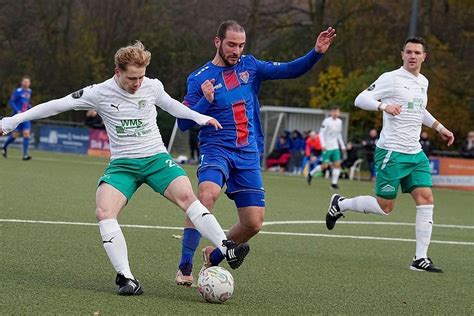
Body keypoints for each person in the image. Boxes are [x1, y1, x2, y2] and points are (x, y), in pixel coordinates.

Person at [0, 41, 250, 295]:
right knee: (103, 211)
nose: (137, 83)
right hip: (122, 165)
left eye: (141, 77)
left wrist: (200, 117)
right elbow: (55, 105)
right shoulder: (98, 92)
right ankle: (127, 278)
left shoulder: (152, 86)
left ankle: (226, 246)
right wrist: (13, 120)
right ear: (117, 72)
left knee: (188, 198)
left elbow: (172, 105)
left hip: (156, 159)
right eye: (132, 78)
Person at [175, 20, 336, 286]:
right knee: (206, 195)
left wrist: (316, 52)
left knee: (253, 224)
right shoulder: (199, 77)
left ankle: (213, 256)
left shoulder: (251, 66)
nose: (236, 50)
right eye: (231, 45)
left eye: (240, 45)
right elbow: (182, 123)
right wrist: (205, 101)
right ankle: (184, 266)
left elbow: (290, 70)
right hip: (216, 150)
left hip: (248, 153)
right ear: (217, 42)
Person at [325, 37, 455, 273]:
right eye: (409, 52)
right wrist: (383, 106)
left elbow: (419, 109)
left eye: (417, 52)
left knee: (426, 199)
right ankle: (340, 204)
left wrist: (439, 127)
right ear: (402, 54)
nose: (413, 56)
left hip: (415, 152)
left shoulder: (423, 81)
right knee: (386, 207)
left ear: (424, 56)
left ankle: (420, 258)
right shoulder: (391, 78)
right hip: (392, 152)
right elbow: (360, 99)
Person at [307, 106, 346, 189]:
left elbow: (339, 134)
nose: (335, 113)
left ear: (339, 113)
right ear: (331, 112)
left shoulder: (339, 122)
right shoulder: (326, 121)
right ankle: (311, 173)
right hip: (327, 147)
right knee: (325, 166)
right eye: (334, 111)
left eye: (337, 112)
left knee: (337, 164)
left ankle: (333, 184)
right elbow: (321, 134)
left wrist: (342, 145)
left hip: (335, 147)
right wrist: (323, 145)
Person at [2, 76, 32, 160]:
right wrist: (17, 110)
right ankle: (4, 147)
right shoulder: (17, 91)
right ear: (22, 83)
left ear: (29, 83)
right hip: (17, 117)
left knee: (26, 134)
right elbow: (11, 102)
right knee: (15, 135)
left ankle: (25, 155)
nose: (26, 83)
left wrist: (30, 108)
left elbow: (26, 103)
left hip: (26, 116)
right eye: (24, 82)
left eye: (27, 82)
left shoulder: (29, 91)